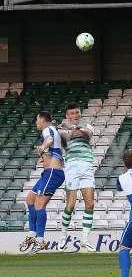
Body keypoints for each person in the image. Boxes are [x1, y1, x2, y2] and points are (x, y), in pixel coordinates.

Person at [21, 111, 65, 253]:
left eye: (37, 119)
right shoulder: (51, 130)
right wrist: (43, 153)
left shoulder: (48, 129)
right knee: (30, 200)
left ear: (42, 119)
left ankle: (40, 240)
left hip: (53, 173)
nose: (36, 123)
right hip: (48, 173)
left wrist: (42, 147)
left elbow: (49, 140)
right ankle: (32, 234)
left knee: (39, 205)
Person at [57, 102, 96, 252]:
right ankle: (63, 236)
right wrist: (72, 131)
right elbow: (67, 137)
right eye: (72, 113)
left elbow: (86, 134)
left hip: (86, 165)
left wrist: (72, 129)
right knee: (71, 205)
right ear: (67, 115)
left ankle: (85, 240)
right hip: (72, 166)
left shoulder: (88, 125)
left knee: (90, 204)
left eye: (77, 113)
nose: (75, 115)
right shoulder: (60, 128)